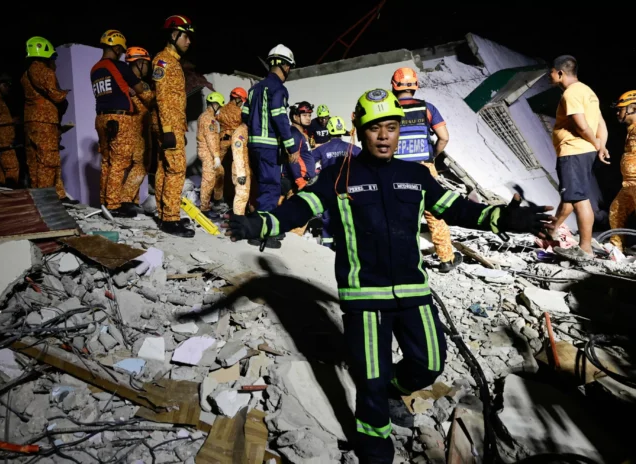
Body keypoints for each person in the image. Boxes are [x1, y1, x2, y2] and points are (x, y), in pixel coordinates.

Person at [223, 88, 555, 463]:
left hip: (414, 293)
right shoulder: (338, 176)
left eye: (391, 127)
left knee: (429, 364)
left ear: (399, 130)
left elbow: (457, 209)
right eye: (375, 128)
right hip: (364, 299)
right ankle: (375, 450)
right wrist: (261, 224)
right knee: (370, 380)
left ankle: (393, 387)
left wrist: (501, 218)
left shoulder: (415, 175)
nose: (384, 136)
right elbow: (300, 208)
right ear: (359, 130)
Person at [391, 67, 461, 273]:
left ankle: (401, 260)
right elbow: (444, 137)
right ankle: (446, 259)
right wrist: (432, 157)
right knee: (435, 212)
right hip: (424, 166)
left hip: (396, 169)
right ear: (415, 86)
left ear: (394, 86)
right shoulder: (427, 108)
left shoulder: (388, 110)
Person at [548, 55, 609, 261]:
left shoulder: (571, 93)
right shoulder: (588, 92)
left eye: (551, 72)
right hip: (584, 152)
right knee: (572, 196)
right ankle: (552, 231)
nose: (549, 76)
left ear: (560, 73)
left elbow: (581, 125)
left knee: (580, 200)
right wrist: (601, 144)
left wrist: (595, 143)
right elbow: (601, 124)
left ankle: (584, 249)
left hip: (573, 151)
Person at [91, 31, 154, 217]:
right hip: (119, 118)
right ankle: (113, 205)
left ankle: (105, 202)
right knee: (119, 163)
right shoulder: (118, 66)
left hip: (101, 117)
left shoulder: (95, 69)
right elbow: (140, 89)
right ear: (117, 48)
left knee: (107, 162)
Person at [242, 44, 299, 234]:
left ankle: (259, 225)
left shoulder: (254, 89)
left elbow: (245, 115)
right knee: (271, 188)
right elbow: (280, 117)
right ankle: (263, 232)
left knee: (261, 186)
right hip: (269, 147)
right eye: (289, 66)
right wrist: (291, 147)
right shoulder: (278, 89)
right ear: (286, 66)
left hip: (254, 146)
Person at [152, 15, 195, 237]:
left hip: (173, 125)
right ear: (173, 35)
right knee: (177, 169)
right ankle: (170, 218)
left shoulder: (173, 62)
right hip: (168, 125)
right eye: (185, 36)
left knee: (164, 168)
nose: (189, 41)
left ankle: (164, 215)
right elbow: (162, 97)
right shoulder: (163, 61)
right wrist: (168, 130)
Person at [21, 36, 71, 201]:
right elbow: (56, 96)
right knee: (48, 161)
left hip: (31, 121)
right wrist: (66, 93)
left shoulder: (26, 74)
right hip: (44, 121)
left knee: (35, 161)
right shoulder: (45, 72)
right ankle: (47, 198)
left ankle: (52, 195)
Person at [311, 115, 361, 248]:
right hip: (346, 190)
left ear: (329, 130)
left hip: (328, 189)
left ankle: (326, 249)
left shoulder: (322, 149)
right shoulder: (352, 148)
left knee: (327, 220)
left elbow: (308, 161)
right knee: (346, 219)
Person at [125, 46, 155, 208]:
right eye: (146, 64)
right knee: (140, 165)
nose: (148, 68)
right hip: (137, 130)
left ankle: (133, 202)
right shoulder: (137, 84)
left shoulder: (126, 82)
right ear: (139, 63)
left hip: (139, 129)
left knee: (135, 165)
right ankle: (125, 199)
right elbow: (150, 100)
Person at [607, 90, 636, 252]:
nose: (618, 113)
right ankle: (616, 248)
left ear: (633, 108)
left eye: (621, 109)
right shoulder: (631, 129)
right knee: (616, 210)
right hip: (629, 184)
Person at [197, 92, 226, 218]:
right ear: (215, 105)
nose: (219, 109)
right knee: (208, 180)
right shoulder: (209, 119)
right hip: (208, 152)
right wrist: (216, 156)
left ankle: (216, 200)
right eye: (219, 106)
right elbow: (211, 139)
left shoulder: (204, 116)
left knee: (220, 173)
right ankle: (204, 209)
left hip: (207, 151)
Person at [283, 101, 316, 193]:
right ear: (295, 117)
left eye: (309, 115)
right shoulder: (294, 134)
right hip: (298, 183)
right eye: (304, 115)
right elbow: (292, 159)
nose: (308, 118)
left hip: (305, 180)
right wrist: (300, 182)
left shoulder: (300, 134)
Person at [218, 87, 247, 156]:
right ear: (238, 99)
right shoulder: (240, 112)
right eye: (242, 101)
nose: (241, 104)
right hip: (236, 144)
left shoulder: (221, 109)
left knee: (219, 162)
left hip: (221, 143)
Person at [231, 122, 251, 216]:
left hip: (245, 169)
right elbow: (237, 153)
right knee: (241, 195)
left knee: (244, 196)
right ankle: (238, 220)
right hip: (240, 170)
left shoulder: (246, 131)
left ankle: (241, 218)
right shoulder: (239, 133)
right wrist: (241, 174)